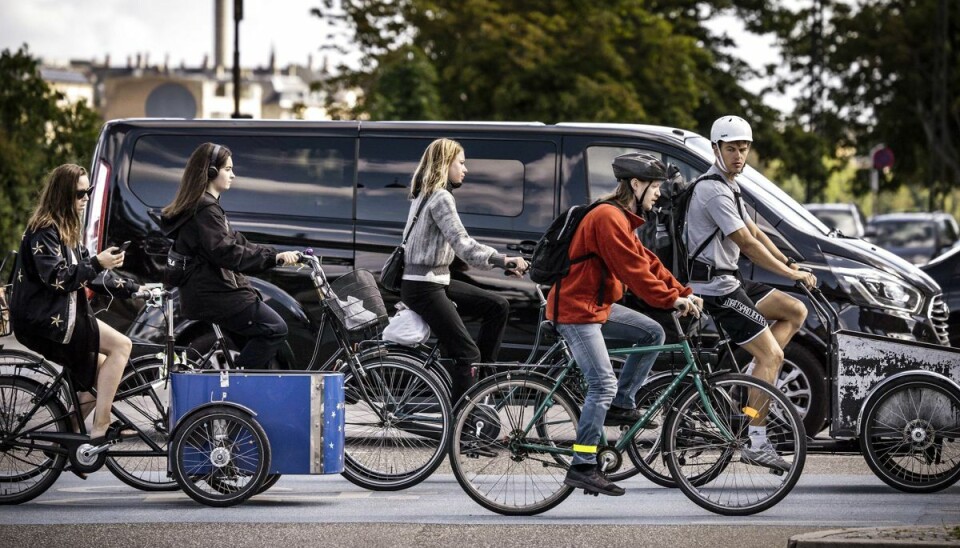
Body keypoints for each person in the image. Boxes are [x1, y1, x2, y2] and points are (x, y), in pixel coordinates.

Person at [548, 152, 703, 496]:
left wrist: (682, 292)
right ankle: (583, 465)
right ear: (636, 184)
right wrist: (669, 300)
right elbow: (631, 271)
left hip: (597, 306)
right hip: (575, 310)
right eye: (655, 187)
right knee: (601, 384)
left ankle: (621, 403)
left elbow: (647, 262)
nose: (659, 194)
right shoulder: (607, 217)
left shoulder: (620, 217)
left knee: (652, 331)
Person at [684, 115, 817, 470]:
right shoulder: (712, 189)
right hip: (715, 288)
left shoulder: (731, 185)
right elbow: (744, 243)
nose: (739, 156)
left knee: (794, 311)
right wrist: (789, 272)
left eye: (743, 149)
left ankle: (755, 368)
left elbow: (757, 233)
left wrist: (790, 261)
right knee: (773, 357)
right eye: (731, 149)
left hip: (732, 280)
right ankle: (757, 441)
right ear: (716, 149)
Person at [9, 164, 142, 449]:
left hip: (61, 317)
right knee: (122, 346)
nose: (85, 198)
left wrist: (137, 289)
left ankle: (69, 444)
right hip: (45, 322)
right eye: (80, 193)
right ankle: (101, 428)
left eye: (89, 191)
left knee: (103, 371)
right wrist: (96, 262)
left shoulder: (68, 228)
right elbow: (57, 278)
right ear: (62, 195)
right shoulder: (44, 230)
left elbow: (90, 275)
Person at [399, 138, 528, 404]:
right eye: (461, 162)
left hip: (431, 282)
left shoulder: (425, 194)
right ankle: (464, 428)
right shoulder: (441, 197)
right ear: (445, 164)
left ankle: (482, 383)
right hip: (425, 286)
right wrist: (503, 260)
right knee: (467, 354)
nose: (465, 169)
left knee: (498, 306)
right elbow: (463, 244)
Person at [160, 143, 300, 369]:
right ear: (211, 171)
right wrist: (274, 259)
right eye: (227, 169)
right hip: (212, 294)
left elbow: (236, 242)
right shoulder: (204, 210)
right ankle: (236, 387)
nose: (233, 175)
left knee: (259, 347)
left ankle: (245, 391)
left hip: (212, 291)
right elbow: (227, 252)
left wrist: (275, 254)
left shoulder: (207, 207)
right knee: (275, 328)